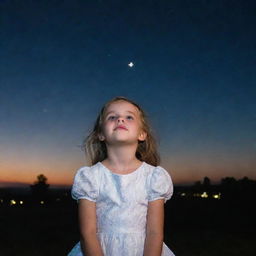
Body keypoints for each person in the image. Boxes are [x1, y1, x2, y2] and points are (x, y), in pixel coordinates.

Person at [68, 96, 175, 256]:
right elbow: (88, 234)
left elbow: (154, 233)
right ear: (101, 134)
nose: (120, 120)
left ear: (142, 134)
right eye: (112, 117)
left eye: (129, 117)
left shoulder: (154, 177)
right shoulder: (90, 177)